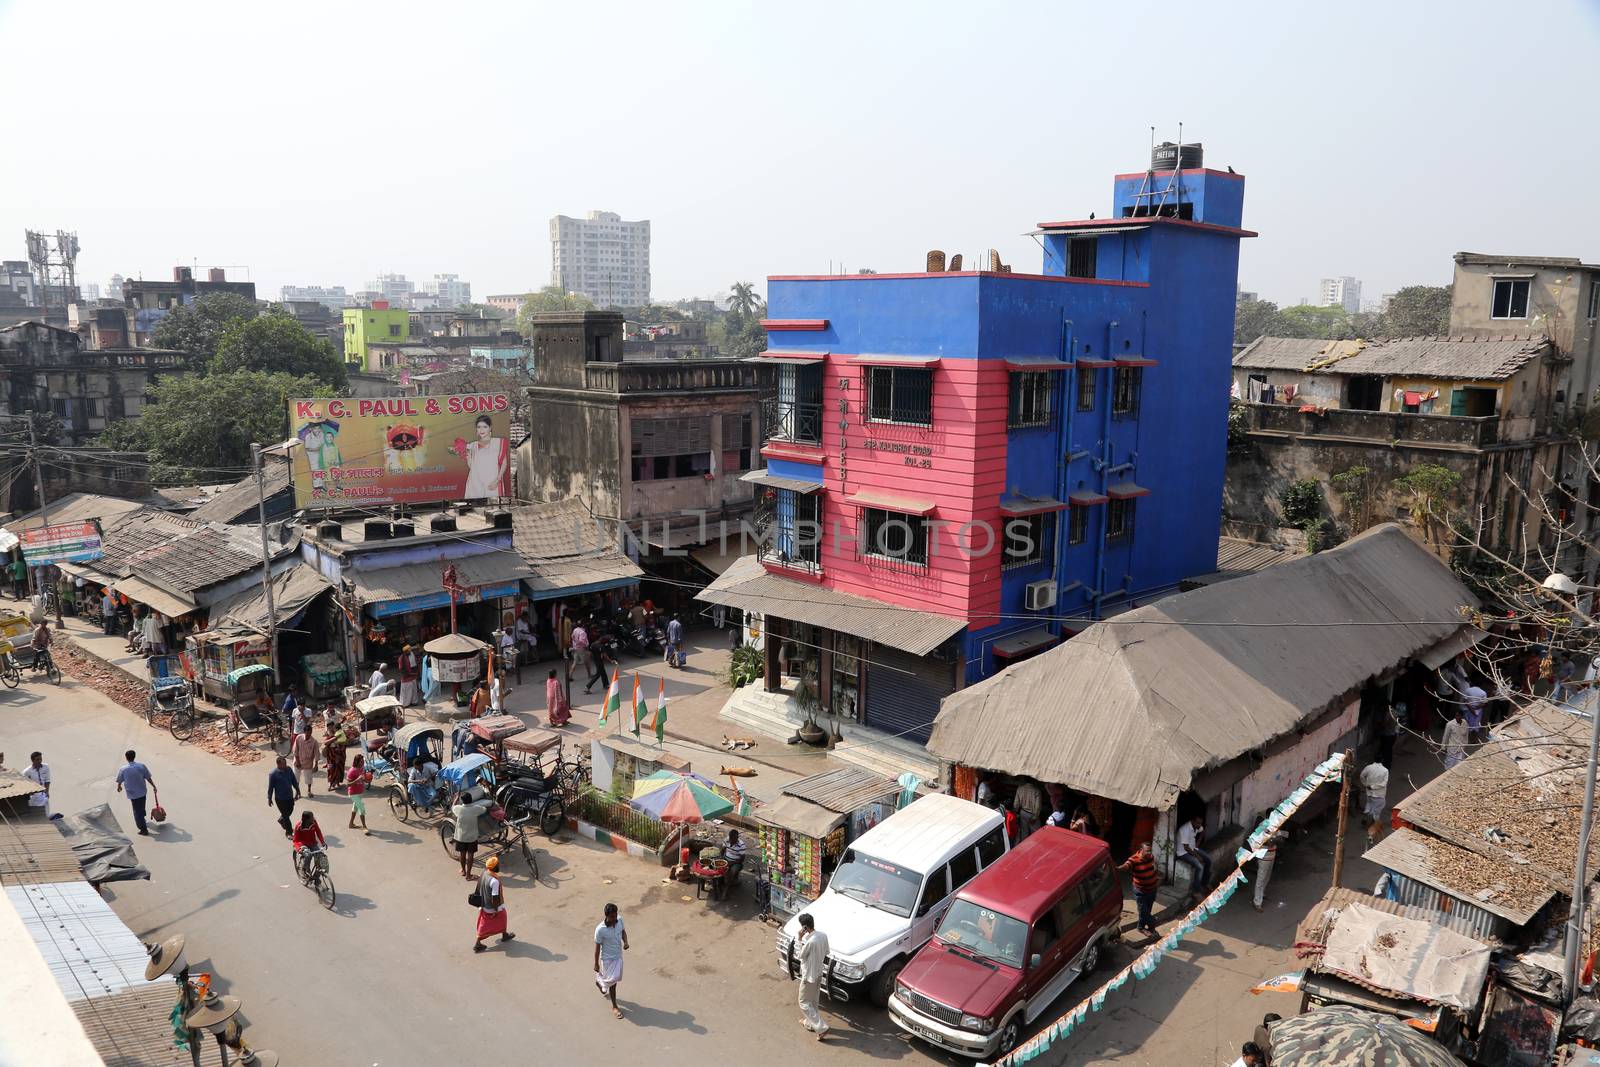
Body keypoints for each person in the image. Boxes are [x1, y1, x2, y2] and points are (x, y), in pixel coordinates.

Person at [795, 911, 830, 1040]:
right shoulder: (823, 936)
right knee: (813, 1001)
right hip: (819, 973)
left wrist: (799, 939)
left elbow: (800, 955)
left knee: (803, 1002)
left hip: (809, 975)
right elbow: (826, 951)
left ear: (804, 927)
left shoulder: (810, 942)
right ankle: (810, 1024)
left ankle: (821, 1028)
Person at [593, 902, 629, 1018]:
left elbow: (623, 932)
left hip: (618, 956)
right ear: (606, 916)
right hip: (607, 960)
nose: (614, 919)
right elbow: (597, 947)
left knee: (614, 981)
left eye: (615, 915)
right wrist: (596, 963)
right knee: (613, 984)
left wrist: (626, 942)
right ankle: (615, 1006)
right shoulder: (600, 930)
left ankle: (600, 982)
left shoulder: (619, 920)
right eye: (612, 917)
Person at [463, 413, 509, 499]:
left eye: (485, 427)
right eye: (479, 427)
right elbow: (472, 467)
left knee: (494, 505)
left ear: (490, 428)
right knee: (476, 507)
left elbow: (504, 463)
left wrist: (497, 480)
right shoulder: (472, 445)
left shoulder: (498, 443)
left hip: (493, 480)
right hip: (475, 482)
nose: (481, 430)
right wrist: (468, 457)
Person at [1118, 841, 1160, 934]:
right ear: (1141, 850)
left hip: (1152, 890)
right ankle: (1149, 925)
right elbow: (1126, 866)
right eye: (1147, 851)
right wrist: (1118, 868)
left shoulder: (1151, 857)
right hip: (1141, 891)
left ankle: (1141, 927)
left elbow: (1153, 868)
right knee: (1144, 912)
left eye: (1150, 851)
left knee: (1147, 911)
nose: (1149, 853)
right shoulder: (1134, 859)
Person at [473, 855, 514, 952]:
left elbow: (479, 887)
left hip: (484, 903)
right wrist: (495, 910)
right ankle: (478, 943)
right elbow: (495, 897)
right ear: (494, 867)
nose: (499, 866)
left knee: (493, 920)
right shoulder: (494, 880)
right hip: (492, 906)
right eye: (498, 865)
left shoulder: (484, 873)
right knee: (500, 917)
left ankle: (504, 934)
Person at [115, 750, 155, 835]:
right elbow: (148, 777)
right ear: (134, 756)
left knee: (137, 811)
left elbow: (120, 780)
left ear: (126, 758)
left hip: (133, 793)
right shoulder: (141, 766)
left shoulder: (123, 769)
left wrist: (119, 786)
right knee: (142, 806)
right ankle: (142, 819)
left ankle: (143, 829)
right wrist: (153, 786)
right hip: (142, 791)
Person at [453, 791, 489, 879]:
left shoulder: (458, 809)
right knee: (470, 856)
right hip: (472, 837)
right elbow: (484, 809)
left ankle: (463, 871)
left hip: (461, 837)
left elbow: (453, 806)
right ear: (471, 800)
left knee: (462, 854)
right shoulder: (475, 809)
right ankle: (469, 875)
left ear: (462, 800)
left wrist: (456, 798)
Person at [1175, 815, 1211, 896]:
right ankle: (1196, 891)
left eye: (1200, 823)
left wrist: (1198, 843)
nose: (1199, 825)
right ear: (1193, 821)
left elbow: (1203, 831)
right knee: (1199, 867)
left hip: (1193, 848)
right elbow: (1186, 848)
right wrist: (1197, 856)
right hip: (1183, 853)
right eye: (1197, 823)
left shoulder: (1197, 827)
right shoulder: (1185, 829)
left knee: (1208, 860)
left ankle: (1205, 883)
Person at [1252, 831, 1285, 913]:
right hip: (1264, 857)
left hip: (1271, 856)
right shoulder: (1263, 828)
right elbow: (1269, 843)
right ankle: (1257, 902)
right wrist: (1274, 839)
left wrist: (1274, 839)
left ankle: (1261, 894)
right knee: (1261, 878)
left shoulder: (1276, 828)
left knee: (1267, 877)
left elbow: (1281, 840)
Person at [1360, 757, 1390, 843]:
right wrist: (1374, 787)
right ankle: (1373, 826)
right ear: (1382, 761)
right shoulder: (1385, 771)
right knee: (1377, 810)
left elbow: (1362, 776)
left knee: (1369, 804)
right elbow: (1384, 783)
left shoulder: (1369, 767)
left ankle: (1366, 817)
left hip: (1369, 792)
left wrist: (1366, 784)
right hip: (1379, 794)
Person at [267, 756, 299, 837]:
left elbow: (294, 781)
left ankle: (281, 820)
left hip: (289, 796)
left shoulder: (289, 769)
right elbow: (270, 787)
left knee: (290, 810)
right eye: (283, 764)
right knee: (286, 816)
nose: (285, 765)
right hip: (280, 799)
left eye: (285, 763)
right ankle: (289, 832)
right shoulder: (273, 774)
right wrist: (269, 798)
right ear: (278, 765)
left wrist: (298, 790)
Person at [291, 810, 325, 879]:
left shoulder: (314, 823)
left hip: (312, 843)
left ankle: (316, 877)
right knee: (308, 855)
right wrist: (299, 849)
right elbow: (295, 840)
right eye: (311, 817)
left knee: (320, 856)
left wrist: (323, 842)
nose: (313, 818)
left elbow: (318, 831)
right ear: (306, 819)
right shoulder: (298, 827)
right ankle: (304, 869)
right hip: (302, 845)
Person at [346, 754, 371, 834]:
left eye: (363, 761)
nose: (363, 763)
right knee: (361, 809)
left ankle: (351, 823)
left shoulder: (362, 769)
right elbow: (348, 784)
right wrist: (357, 779)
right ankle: (364, 827)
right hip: (353, 793)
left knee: (355, 808)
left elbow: (364, 779)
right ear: (357, 762)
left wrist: (367, 779)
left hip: (360, 792)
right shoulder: (351, 771)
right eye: (361, 761)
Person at [290, 725, 319, 797]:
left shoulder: (314, 742)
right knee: (296, 778)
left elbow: (317, 753)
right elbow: (295, 750)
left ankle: (309, 790)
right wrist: (298, 761)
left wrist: (316, 765)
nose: (308, 735)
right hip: (297, 761)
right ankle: (297, 792)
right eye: (307, 733)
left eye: (310, 733)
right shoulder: (299, 738)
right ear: (304, 732)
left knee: (308, 778)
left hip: (308, 762)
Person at [324, 718, 349, 792]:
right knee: (331, 770)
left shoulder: (340, 734)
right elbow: (325, 743)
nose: (331, 729)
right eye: (329, 727)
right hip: (331, 757)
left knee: (339, 769)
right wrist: (334, 739)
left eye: (332, 727)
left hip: (340, 756)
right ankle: (331, 784)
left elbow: (345, 743)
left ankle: (337, 783)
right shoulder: (330, 736)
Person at [23, 751, 49, 817]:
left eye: (41, 759)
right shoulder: (27, 772)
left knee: (46, 813)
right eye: (37, 759)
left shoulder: (46, 767)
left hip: (43, 794)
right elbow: (25, 785)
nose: (40, 761)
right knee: (36, 814)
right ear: (32, 760)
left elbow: (47, 780)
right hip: (34, 796)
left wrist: (47, 792)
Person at [1378, 702, 1400, 768]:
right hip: (1393, 734)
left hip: (1387, 734)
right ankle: (1388, 763)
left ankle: (1386, 764)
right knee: (1389, 749)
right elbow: (1397, 724)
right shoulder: (1396, 712)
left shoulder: (1388, 713)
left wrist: (1379, 726)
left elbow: (1384, 723)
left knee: (1386, 749)